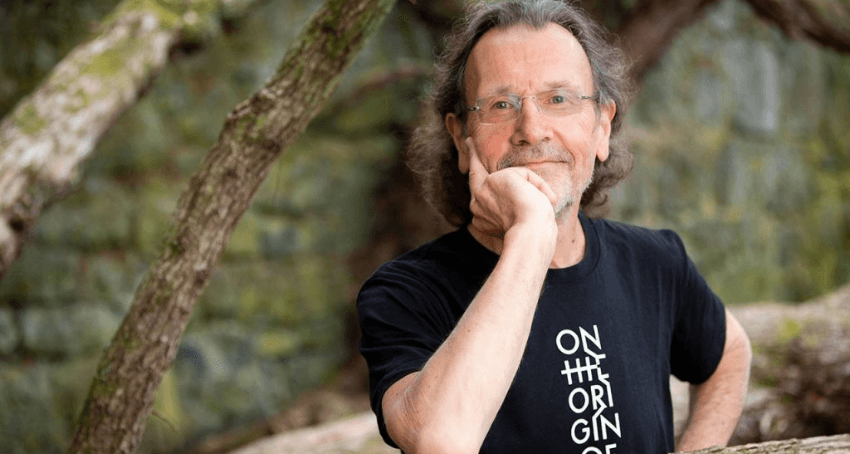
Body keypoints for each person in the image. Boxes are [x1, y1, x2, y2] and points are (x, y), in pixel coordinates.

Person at [356, 1, 752, 453]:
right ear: (461, 139)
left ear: (602, 127)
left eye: (558, 99)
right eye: (501, 104)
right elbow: (440, 440)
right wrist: (530, 236)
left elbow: (730, 354)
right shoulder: (406, 293)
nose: (531, 128)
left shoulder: (655, 261)